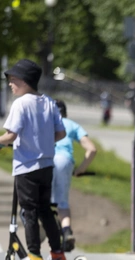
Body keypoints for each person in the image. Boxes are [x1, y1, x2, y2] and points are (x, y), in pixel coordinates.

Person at [0, 59, 67, 260]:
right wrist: (42, 143)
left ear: (24, 82)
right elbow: (60, 133)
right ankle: (57, 252)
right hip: (46, 166)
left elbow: (11, 134)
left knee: (30, 211)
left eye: (13, 80)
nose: (10, 84)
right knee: (45, 210)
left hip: (27, 167)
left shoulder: (21, 104)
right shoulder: (49, 102)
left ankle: (34, 257)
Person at [51, 100, 97, 251]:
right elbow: (92, 149)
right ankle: (66, 231)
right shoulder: (72, 124)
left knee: (43, 199)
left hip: (47, 160)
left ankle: (46, 230)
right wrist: (80, 169)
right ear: (66, 112)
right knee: (62, 201)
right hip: (65, 161)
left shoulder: (46, 122)